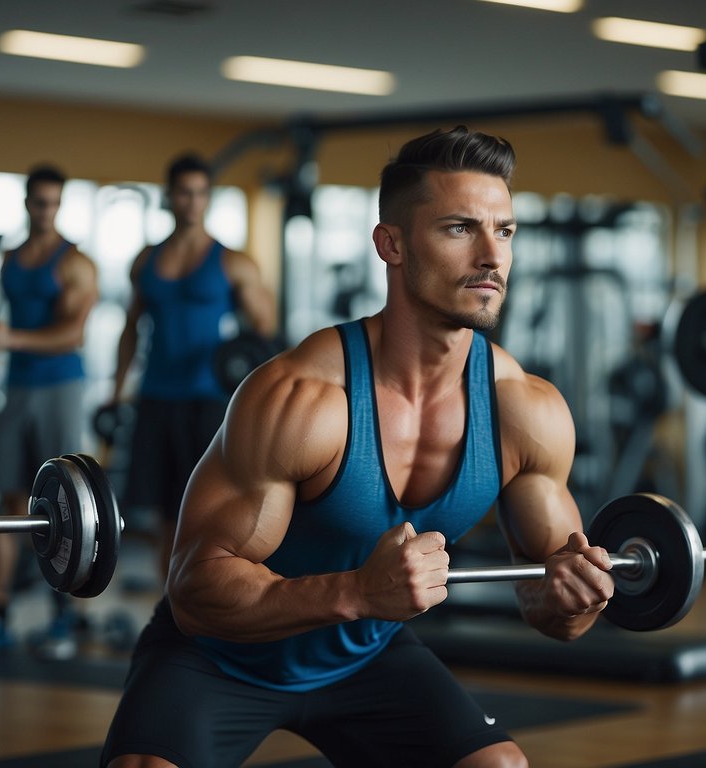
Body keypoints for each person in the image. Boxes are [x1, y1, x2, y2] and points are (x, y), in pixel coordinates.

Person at [100, 127, 615, 768]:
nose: (491, 255)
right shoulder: (301, 400)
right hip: (220, 658)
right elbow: (196, 590)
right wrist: (360, 594)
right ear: (390, 244)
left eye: (505, 231)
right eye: (460, 229)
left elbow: (553, 611)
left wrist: (577, 598)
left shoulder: (526, 411)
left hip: (366, 655)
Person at [107, 152, 276, 581]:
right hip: (156, 396)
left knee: (209, 507)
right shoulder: (146, 260)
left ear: (208, 198)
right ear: (169, 197)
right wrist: (116, 389)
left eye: (201, 193)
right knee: (166, 512)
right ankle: (171, 602)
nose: (192, 202)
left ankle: (208, 597)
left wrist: (240, 364)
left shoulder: (232, 261)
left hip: (209, 400)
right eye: (184, 193)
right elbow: (131, 330)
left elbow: (265, 327)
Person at [0, 164, 99, 660]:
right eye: (38, 202)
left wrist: (12, 340)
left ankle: (65, 617)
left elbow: (72, 333)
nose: (44, 211)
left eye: (53, 203)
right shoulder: (11, 260)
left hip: (60, 386)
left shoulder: (76, 264)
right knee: (4, 501)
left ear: (60, 205)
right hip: (14, 390)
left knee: (64, 505)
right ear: (26, 203)